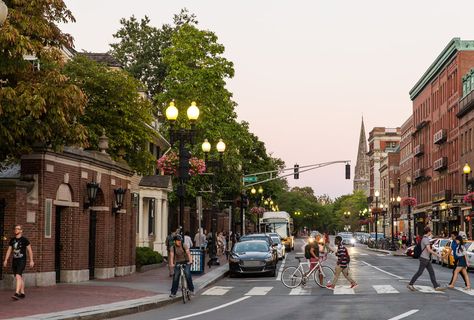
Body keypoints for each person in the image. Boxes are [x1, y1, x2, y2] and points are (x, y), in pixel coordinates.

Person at [407, 226, 446, 292]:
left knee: (431, 272)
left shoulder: (424, 238)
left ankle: (436, 286)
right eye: (430, 231)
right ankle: (410, 284)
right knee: (420, 272)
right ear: (428, 232)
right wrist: (437, 255)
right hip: (424, 258)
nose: (431, 232)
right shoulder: (426, 239)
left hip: (425, 258)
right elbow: (429, 250)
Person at [3, 224, 34, 300]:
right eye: (15, 228)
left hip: (22, 260)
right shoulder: (12, 240)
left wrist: (31, 260)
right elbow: (9, 250)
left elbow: (30, 251)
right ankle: (22, 293)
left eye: (17, 229)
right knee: (19, 277)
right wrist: (6, 260)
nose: (16, 230)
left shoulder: (25, 240)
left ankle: (16, 293)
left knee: (18, 276)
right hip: (15, 260)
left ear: (21, 230)